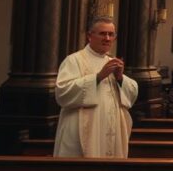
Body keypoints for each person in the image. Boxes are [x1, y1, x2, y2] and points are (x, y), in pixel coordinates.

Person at [53, 16, 139, 158]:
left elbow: (132, 94)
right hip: (83, 131)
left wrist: (120, 78)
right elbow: (62, 93)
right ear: (89, 36)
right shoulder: (74, 60)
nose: (107, 38)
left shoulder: (113, 62)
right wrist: (97, 77)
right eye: (102, 33)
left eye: (111, 34)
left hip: (110, 130)